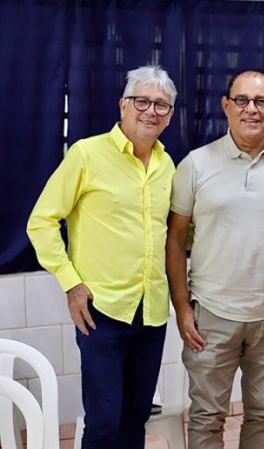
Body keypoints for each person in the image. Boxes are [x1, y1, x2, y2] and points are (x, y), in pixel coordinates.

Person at [166, 69, 264, 449]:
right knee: (206, 417)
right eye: (242, 100)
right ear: (226, 105)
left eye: (261, 101)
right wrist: (182, 307)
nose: (251, 109)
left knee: (263, 414)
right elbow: (175, 239)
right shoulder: (195, 164)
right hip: (211, 316)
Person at [26, 65, 177, 448]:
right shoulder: (86, 154)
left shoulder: (167, 165)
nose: (151, 111)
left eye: (161, 105)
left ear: (170, 115)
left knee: (136, 415)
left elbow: (174, 233)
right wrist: (71, 283)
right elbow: (41, 222)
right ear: (123, 105)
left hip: (152, 311)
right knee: (104, 421)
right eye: (142, 101)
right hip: (102, 311)